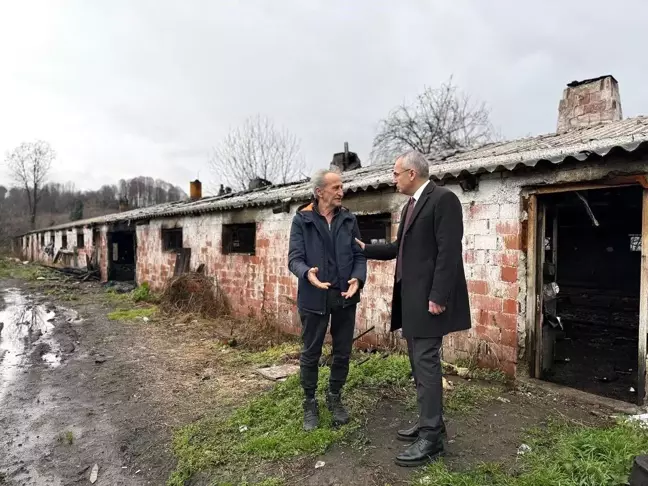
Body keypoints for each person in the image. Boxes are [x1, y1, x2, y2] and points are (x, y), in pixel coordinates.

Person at [355, 150, 471, 467]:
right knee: (419, 366)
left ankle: (432, 439)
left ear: (411, 173)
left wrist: (438, 296)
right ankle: (430, 422)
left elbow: (449, 252)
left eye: (395, 173)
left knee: (427, 365)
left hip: (430, 301)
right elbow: (398, 248)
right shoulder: (410, 206)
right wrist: (366, 249)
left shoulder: (443, 200)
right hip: (412, 302)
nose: (392, 178)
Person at [288, 169, 367, 431]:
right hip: (314, 296)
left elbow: (359, 255)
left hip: (345, 296)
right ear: (319, 192)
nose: (341, 191)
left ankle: (335, 398)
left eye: (341, 186)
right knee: (311, 352)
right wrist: (306, 273)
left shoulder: (348, 219)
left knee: (342, 351)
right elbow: (294, 259)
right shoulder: (302, 220)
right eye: (335, 187)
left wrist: (358, 278)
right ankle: (310, 402)